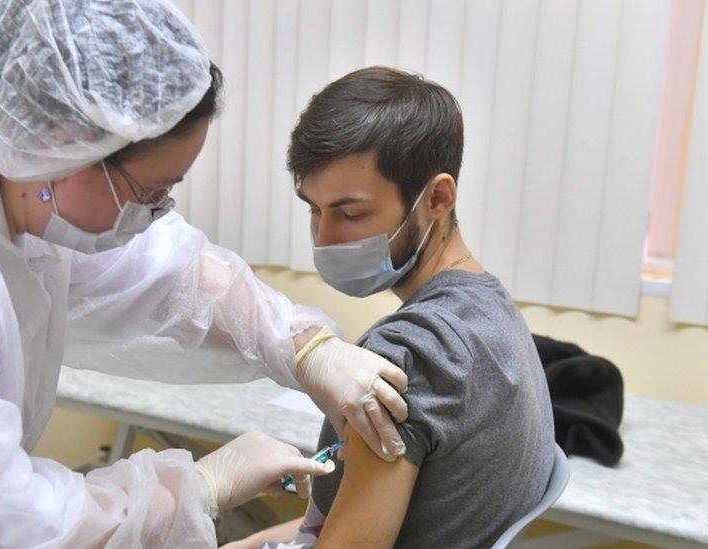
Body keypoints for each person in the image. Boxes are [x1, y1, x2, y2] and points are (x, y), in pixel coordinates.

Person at [0, 3, 411, 547]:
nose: (155, 217)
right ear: (70, 148)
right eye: (151, 191)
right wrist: (196, 487)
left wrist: (303, 344)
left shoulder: (4, 142)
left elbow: (168, 276)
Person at [227, 67, 555, 548]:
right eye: (313, 210)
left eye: (351, 212)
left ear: (437, 198)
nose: (324, 239)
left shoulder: (412, 355)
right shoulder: (491, 307)